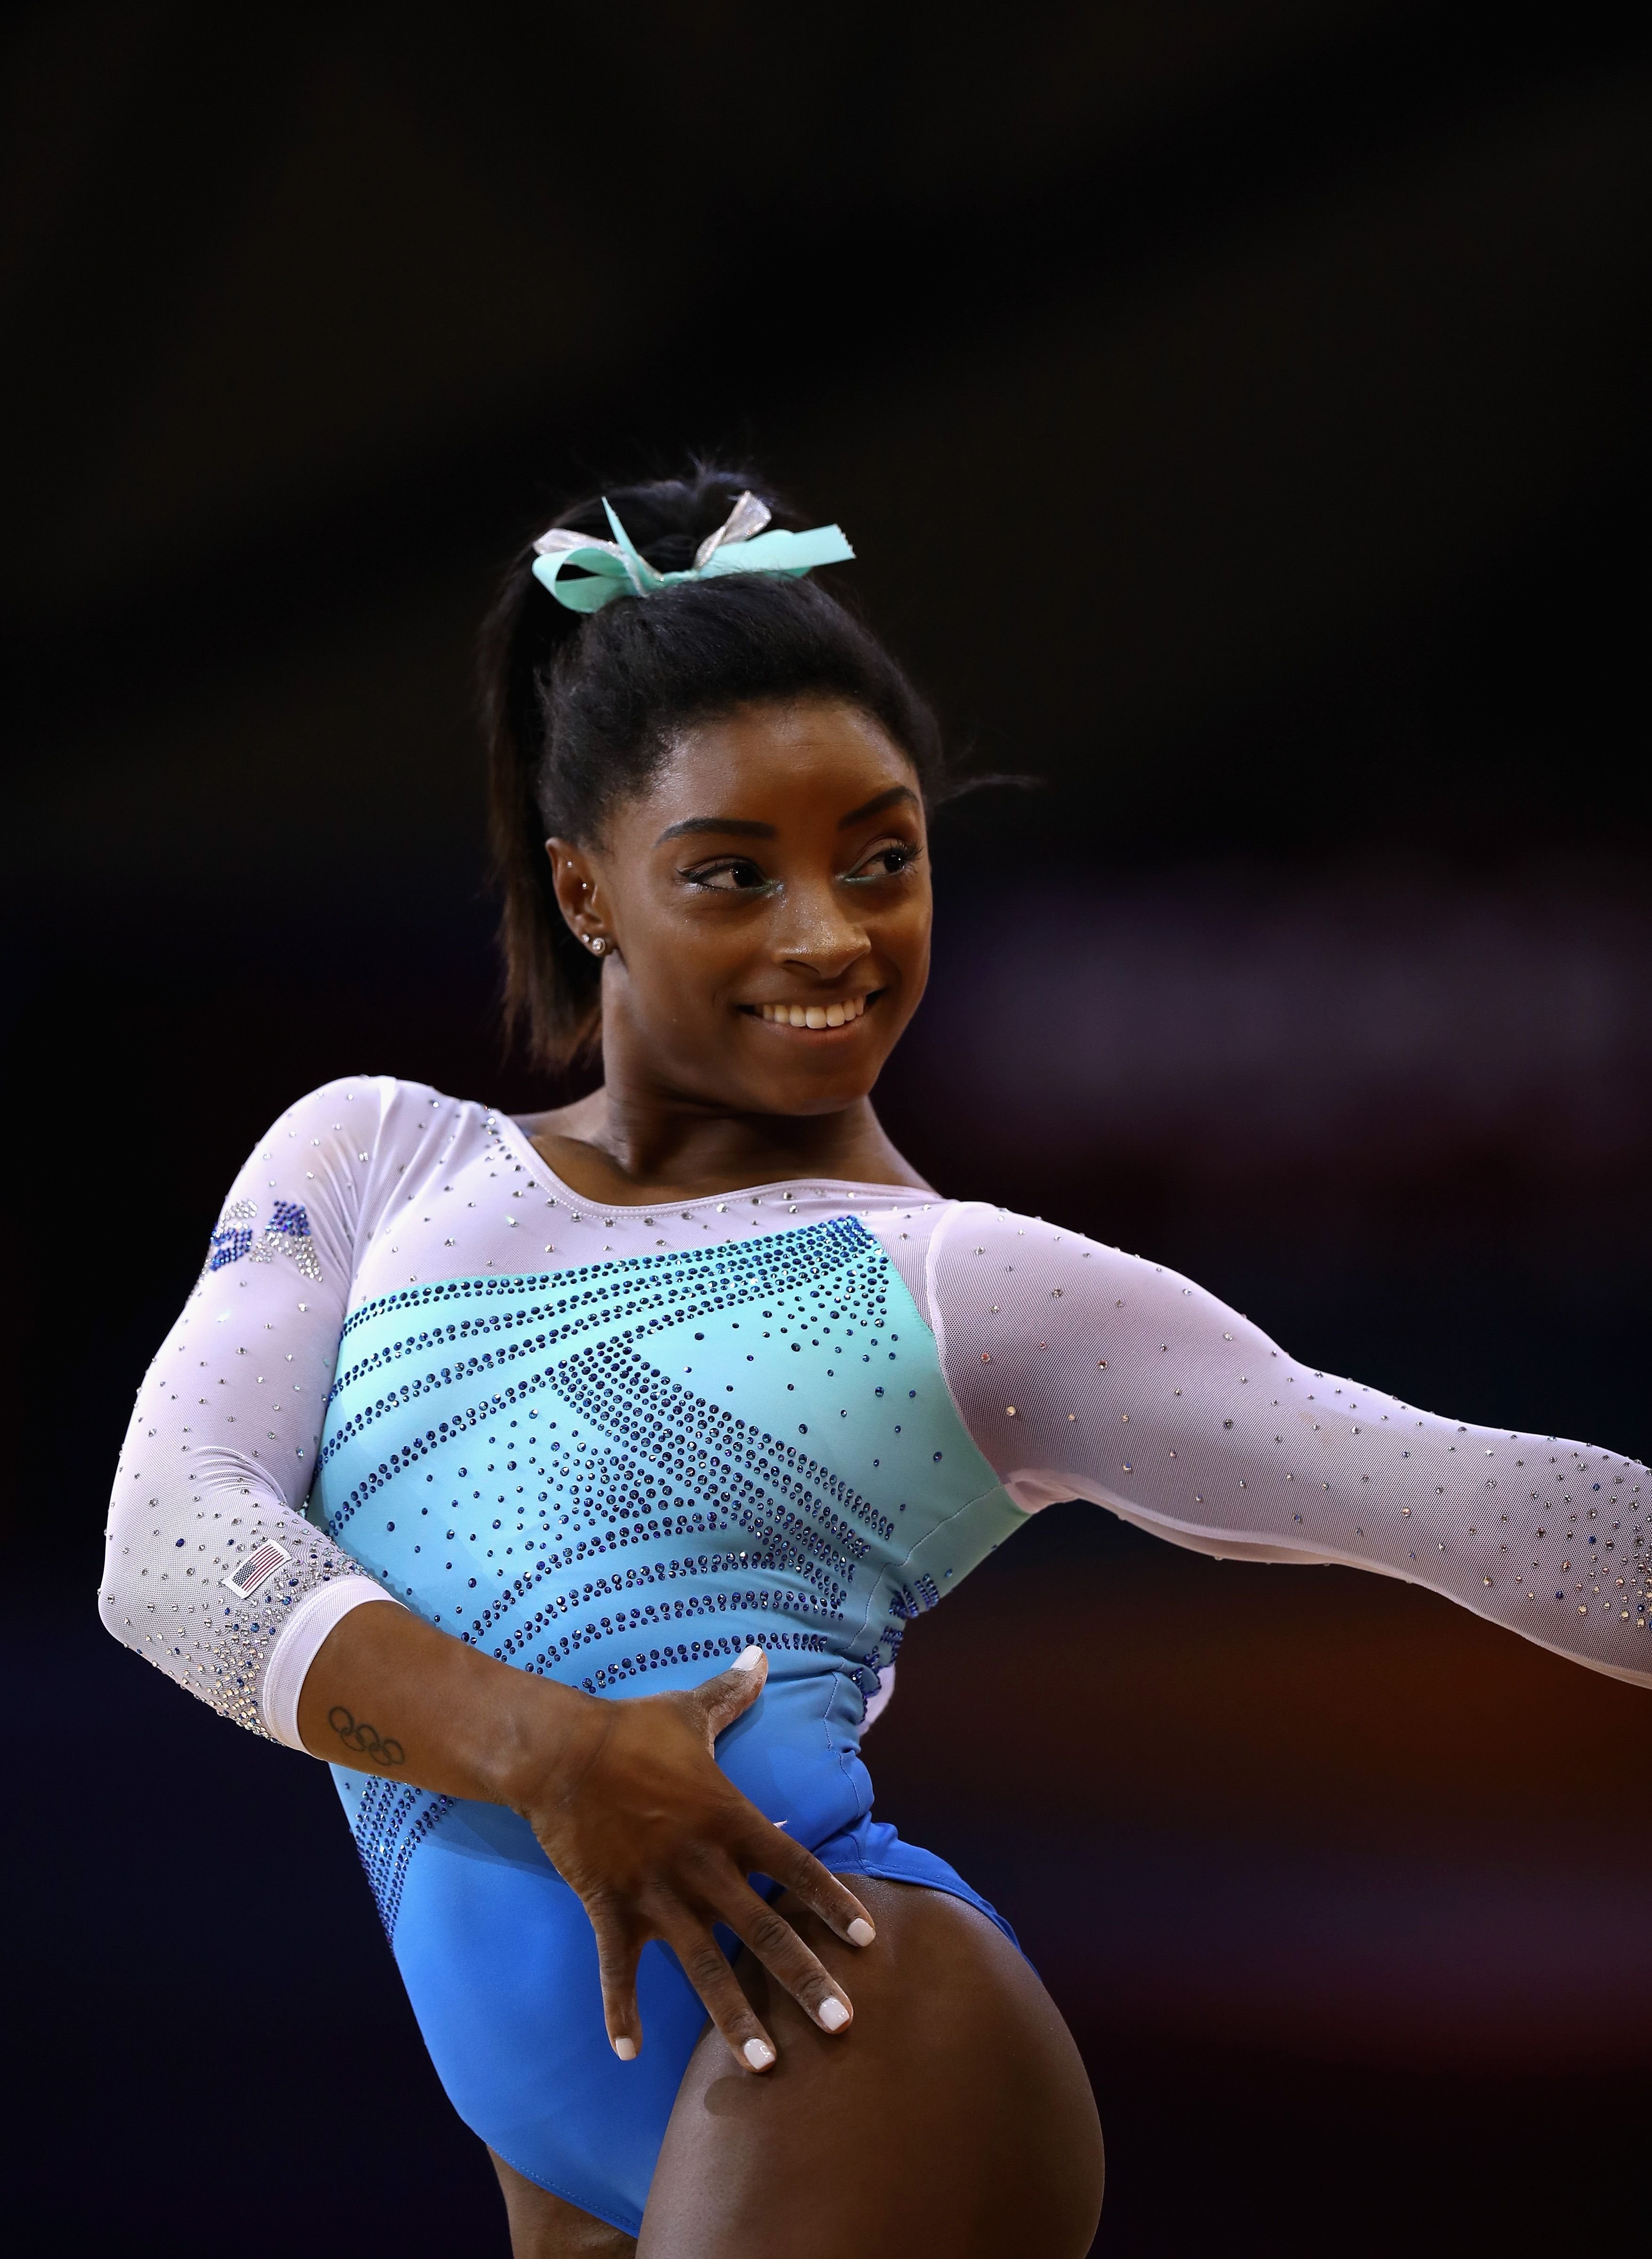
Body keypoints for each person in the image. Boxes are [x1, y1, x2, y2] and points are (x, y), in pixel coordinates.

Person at [102, 463, 1650, 2258]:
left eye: (881, 856)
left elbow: (1498, 1501)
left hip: (849, 2021)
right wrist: (553, 1755)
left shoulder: (959, 1288)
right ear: (584, 890)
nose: (829, 934)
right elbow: (169, 1540)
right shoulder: (375, 1159)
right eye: (732, 875)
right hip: (574, 2125)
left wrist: (565, 1767)